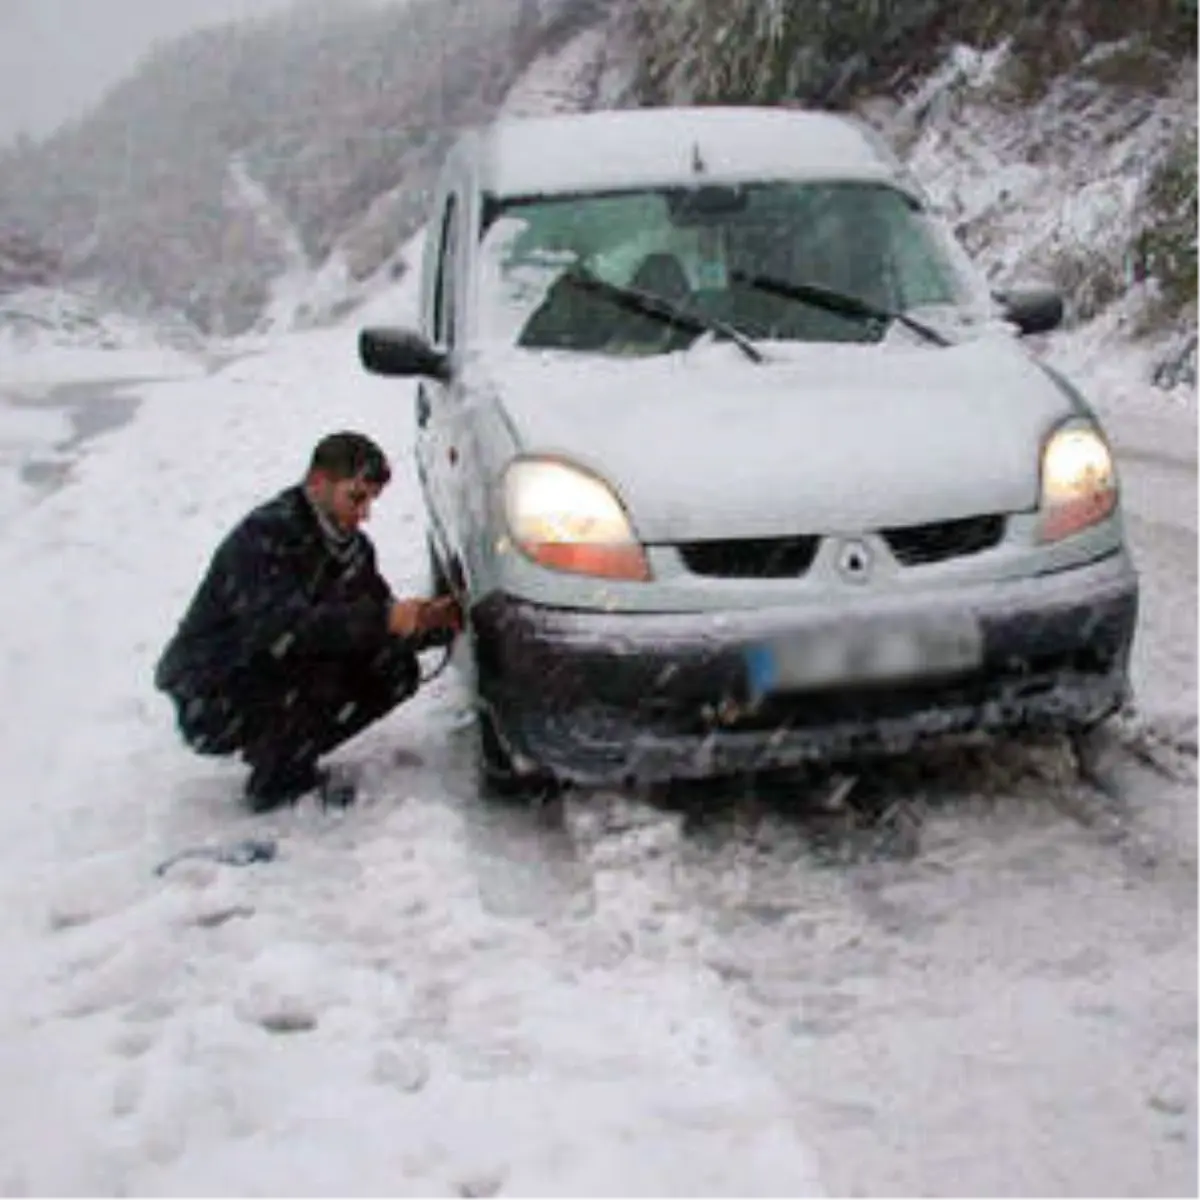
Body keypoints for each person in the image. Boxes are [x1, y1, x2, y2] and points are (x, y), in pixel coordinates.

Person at [154, 431, 463, 812]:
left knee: (393, 670)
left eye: (371, 500)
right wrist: (385, 620)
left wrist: (429, 622)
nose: (365, 513)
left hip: (268, 669)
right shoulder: (266, 536)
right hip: (213, 687)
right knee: (314, 660)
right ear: (318, 483)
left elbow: (374, 623)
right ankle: (277, 780)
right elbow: (281, 630)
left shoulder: (352, 549)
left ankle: (285, 756)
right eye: (357, 497)